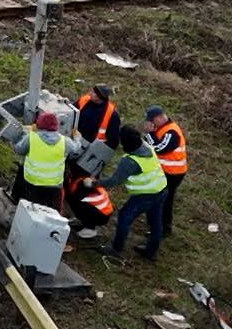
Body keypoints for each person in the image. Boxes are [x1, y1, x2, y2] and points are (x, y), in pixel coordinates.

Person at [101, 126, 169, 260]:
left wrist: (94, 183)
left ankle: (116, 248)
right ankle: (151, 251)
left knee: (124, 216)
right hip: (161, 189)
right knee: (156, 221)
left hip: (146, 195)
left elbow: (114, 181)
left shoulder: (130, 161)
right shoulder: (146, 146)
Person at [9, 111, 67, 213]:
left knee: (29, 211)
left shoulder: (32, 137)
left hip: (32, 183)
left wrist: (14, 140)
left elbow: (19, 150)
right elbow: (76, 148)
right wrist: (77, 138)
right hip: (54, 187)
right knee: (50, 213)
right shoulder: (64, 141)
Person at [145, 106, 188, 240]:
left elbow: (158, 148)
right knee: (160, 199)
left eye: (151, 121)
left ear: (159, 118)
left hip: (173, 173)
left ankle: (164, 229)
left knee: (165, 201)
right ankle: (158, 226)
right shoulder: (161, 128)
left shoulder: (172, 132)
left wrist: (149, 134)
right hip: (165, 171)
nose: (150, 124)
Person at [68, 174, 115, 239]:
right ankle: (86, 223)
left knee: (77, 204)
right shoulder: (87, 182)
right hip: (106, 211)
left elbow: (75, 199)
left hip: (101, 216)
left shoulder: (80, 189)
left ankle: (90, 228)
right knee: (79, 204)